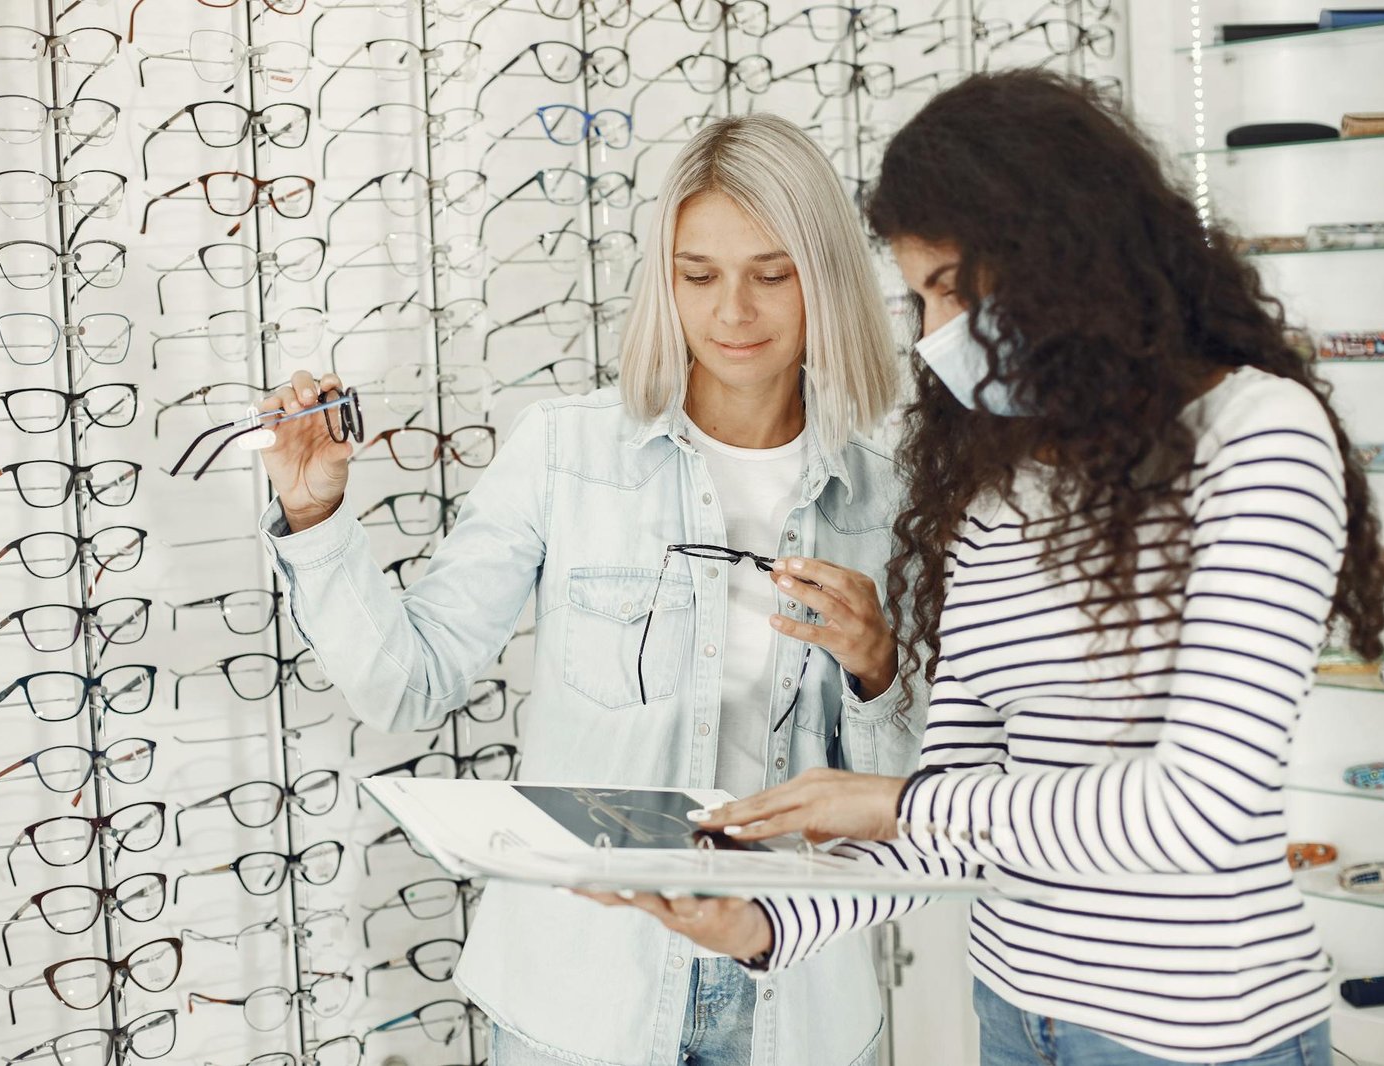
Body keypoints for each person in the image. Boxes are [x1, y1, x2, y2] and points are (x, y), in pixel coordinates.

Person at [586, 70, 1384, 1066]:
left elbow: (1199, 810)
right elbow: (958, 802)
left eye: (952, 290)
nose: (934, 338)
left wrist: (890, 799)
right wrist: (761, 924)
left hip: (1198, 1035)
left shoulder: (1256, 439)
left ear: (1066, 254)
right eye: (919, 298)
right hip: (1013, 1016)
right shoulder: (992, 479)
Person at [255, 113, 923, 1066]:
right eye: (699, 276)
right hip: (582, 1006)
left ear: (825, 280)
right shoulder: (563, 453)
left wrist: (877, 666)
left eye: (771, 274)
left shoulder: (887, 500)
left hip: (795, 1006)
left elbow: (909, 802)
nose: (732, 311)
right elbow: (407, 685)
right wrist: (316, 520)